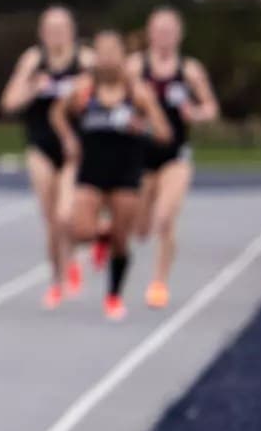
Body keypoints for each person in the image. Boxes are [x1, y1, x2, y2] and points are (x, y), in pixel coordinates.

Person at [52, 30, 172, 320]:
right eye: (101, 52)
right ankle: (99, 238)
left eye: (112, 52)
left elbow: (164, 133)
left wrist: (139, 127)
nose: (106, 58)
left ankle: (114, 296)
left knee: (122, 240)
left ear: (122, 57)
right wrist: (69, 138)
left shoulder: (137, 93)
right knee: (78, 229)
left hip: (126, 173)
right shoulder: (84, 90)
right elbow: (57, 113)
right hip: (91, 170)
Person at [0, 7, 92, 308]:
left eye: (62, 28)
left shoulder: (86, 61)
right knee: (51, 219)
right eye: (50, 29)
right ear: (42, 33)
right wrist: (31, 88)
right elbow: (9, 102)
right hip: (40, 146)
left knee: (67, 216)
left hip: (75, 148)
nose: (56, 34)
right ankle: (57, 279)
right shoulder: (33, 60)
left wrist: (83, 96)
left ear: (72, 31)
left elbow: (109, 97)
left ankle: (74, 255)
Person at [130, 8, 221, 308]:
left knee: (166, 218)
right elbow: (114, 98)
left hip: (175, 157)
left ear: (179, 34)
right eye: (159, 30)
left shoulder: (190, 70)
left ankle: (159, 282)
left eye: (170, 30)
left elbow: (211, 108)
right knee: (141, 230)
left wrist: (195, 113)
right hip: (141, 156)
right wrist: (132, 119)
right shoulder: (135, 67)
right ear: (150, 33)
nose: (164, 36)